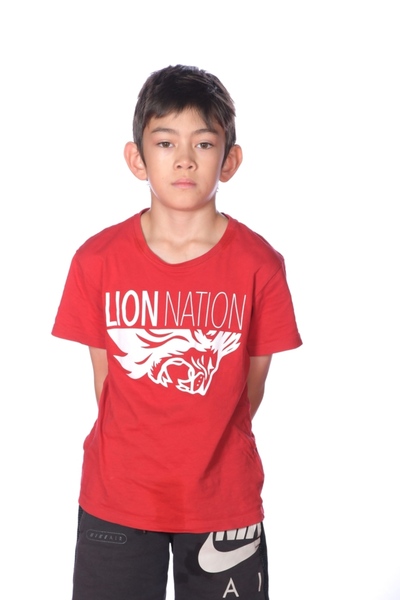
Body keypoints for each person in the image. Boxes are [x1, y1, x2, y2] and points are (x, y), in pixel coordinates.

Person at [52, 64, 302, 600]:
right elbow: (107, 382)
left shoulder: (260, 265)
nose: (185, 159)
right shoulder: (97, 260)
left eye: (204, 143)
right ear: (137, 158)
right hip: (117, 500)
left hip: (223, 502)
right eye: (165, 143)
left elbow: (249, 389)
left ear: (229, 160)